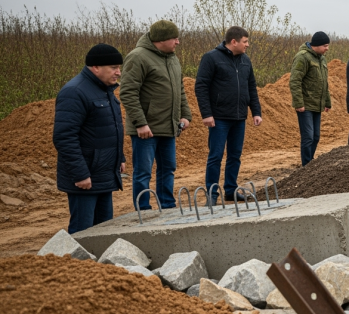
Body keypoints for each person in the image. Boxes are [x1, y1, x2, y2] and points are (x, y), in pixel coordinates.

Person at [53, 44, 126, 233]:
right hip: (86, 178)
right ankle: (76, 264)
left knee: (103, 230)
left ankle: (97, 264)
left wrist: (120, 158)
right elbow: (64, 137)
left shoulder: (104, 90)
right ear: (96, 67)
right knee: (82, 232)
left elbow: (108, 130)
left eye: (119, 67)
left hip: (104, 174)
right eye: (114, 68)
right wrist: (80, 174)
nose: (118, 72)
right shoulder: (74, 92)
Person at [121, 20, 192, 210]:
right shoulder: (138, 57)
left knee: (168, 169)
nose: (177, 42)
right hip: (146, 129)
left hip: (168, 126)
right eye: (174, 38)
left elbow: (180, 89)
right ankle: (143, 210)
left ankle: (167, 205)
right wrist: (140, 123)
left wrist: (185, 115)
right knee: (143, 172)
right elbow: (127, 92)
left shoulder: (172, 58)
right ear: (161, 39)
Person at [195, 26, 262, 204]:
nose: (248, 45)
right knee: (216, 156)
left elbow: (251, 88)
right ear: (234, 42)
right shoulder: (211, 58)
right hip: (219, 118)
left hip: (239, 117)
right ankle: (212, 194)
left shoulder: (246, 61)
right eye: (245, 41)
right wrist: (207, 114)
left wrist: (256, 111)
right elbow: (201, 86)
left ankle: (231, 190)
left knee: (234, 156)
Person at [289, 31, 331, 166]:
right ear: (316, 45)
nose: (327, 48)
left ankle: (310, 162)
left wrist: (327, 101)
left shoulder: (322, 58)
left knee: (316, 137)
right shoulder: (303, 57)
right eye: (325, 45)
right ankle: (306, 166)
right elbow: (295, 81)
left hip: (317, 104)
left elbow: (324, 82)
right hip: (305, 105)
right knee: (308, 137)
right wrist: (299, 103)